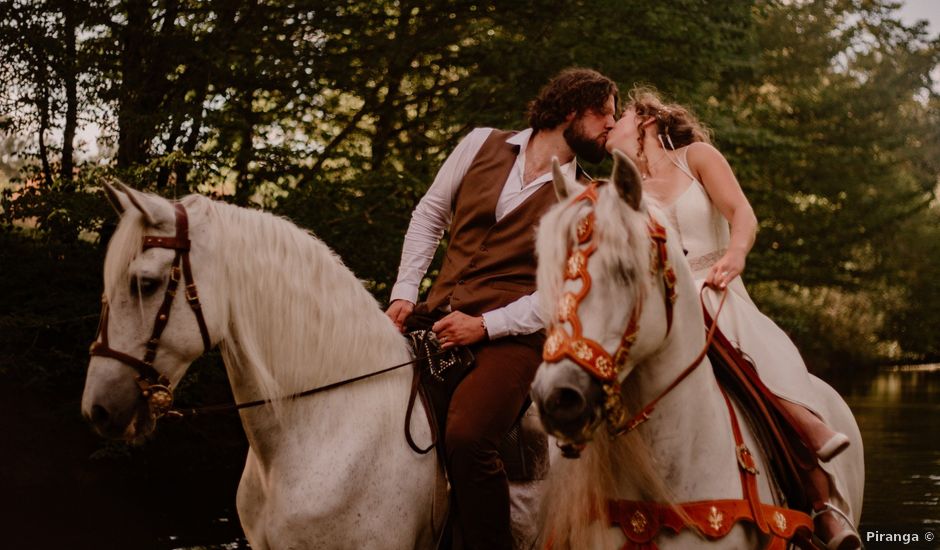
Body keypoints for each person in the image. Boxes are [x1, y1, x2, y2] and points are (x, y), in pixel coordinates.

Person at [603, 87, 860, 550]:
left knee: (766, 370)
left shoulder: (695, 156)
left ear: (646, 121)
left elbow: (742, 212)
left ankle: (822, 500)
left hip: (720, 292)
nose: (609, 126)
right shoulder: (622, 190)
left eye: (619, 117)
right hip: (666, 308)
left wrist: (737, 254)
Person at [384, 68, 618, 549]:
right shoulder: (479, 143)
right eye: (605, 115)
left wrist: (486, 326)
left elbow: (564, 289)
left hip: (514, 338)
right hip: (435, 312)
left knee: (469, 439)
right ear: (571, 110)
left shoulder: (588, 200)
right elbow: (429, 215)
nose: (611, 127)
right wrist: (405, 292)